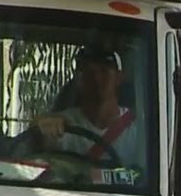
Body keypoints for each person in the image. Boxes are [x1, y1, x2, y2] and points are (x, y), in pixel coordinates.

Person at [32, 44, 143, 184]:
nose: (96, 79)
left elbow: (142, 177)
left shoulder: (138, 130)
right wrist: (39, 126)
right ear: (78, 81)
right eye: (88, 73)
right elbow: (31, 159)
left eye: (104, 71)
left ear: (119, 78)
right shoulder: (61, 125)